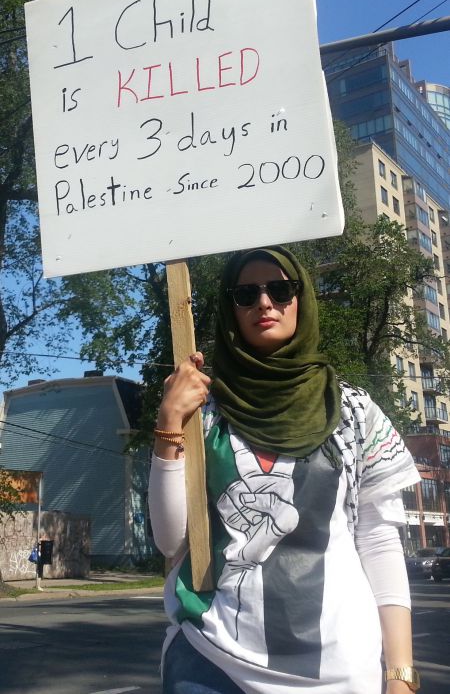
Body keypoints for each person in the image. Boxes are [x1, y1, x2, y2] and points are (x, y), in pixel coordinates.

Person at [149, 245, 421, 694]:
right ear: (229, 308)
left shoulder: (354, 412)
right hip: (212, 661)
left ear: (302, 298)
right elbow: (171, 540)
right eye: (245, 294)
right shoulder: (200, 411)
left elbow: (379, 543)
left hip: (339, 670)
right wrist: (169, 423)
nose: (264, 303)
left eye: (279, 289)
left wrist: (401, 673)